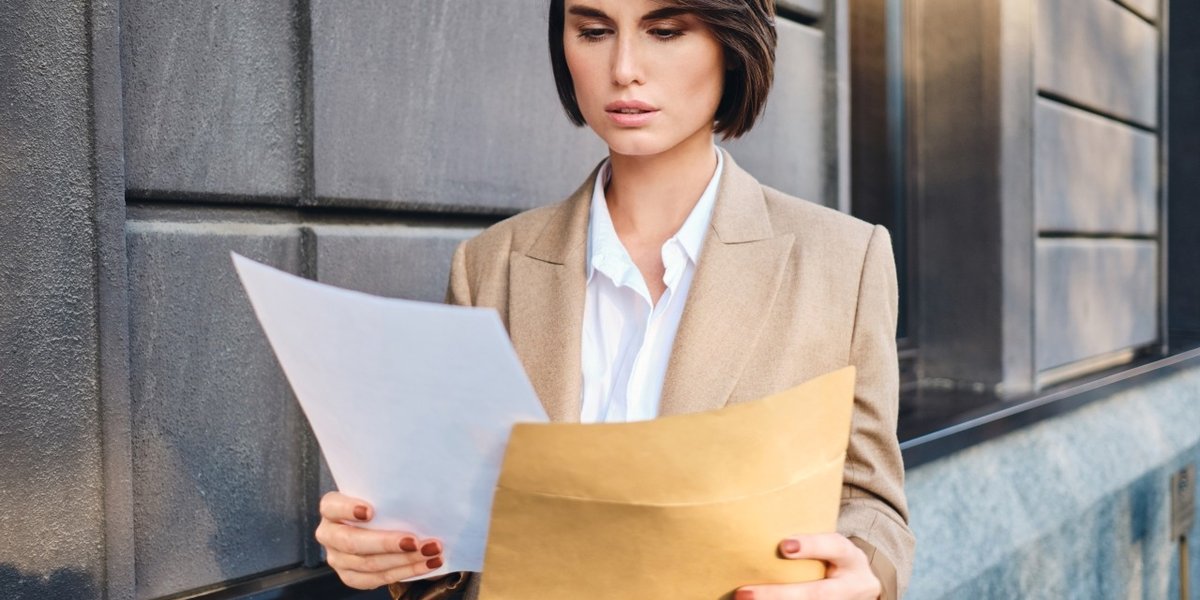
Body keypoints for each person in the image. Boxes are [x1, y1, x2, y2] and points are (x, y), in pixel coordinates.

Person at [315, 0, 915, 598]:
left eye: (665, 30)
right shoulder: (490, 265)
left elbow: (871, 503)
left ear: (734, 46)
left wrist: (859, 577)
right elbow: (453, 524)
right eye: (595, 31)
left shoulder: (843, 259)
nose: (624, 67)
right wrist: (394, 550)